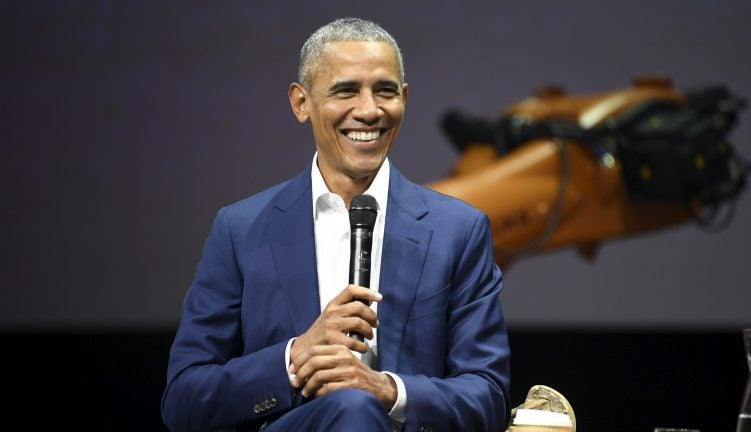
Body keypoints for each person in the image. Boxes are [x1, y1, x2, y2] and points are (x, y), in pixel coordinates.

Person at [162, 17, 511, 432]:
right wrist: (295, 358)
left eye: (385, 91)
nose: (368, 110)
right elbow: (184, 400)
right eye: (345, 91)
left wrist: (388, 390)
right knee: (351, 408)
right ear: (301, 103)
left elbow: (488, 395)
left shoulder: (459, 230)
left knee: (358, 406)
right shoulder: (240, 230)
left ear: (404, 98)